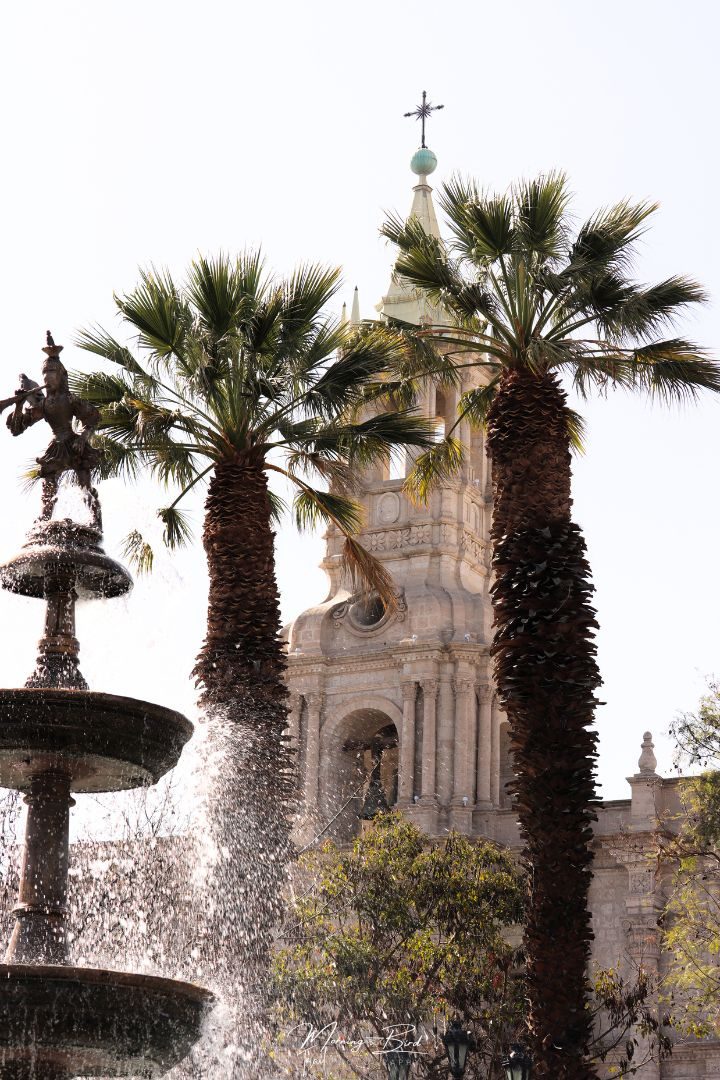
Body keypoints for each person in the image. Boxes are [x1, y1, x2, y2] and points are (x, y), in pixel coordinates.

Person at [6, 334, 101, 524]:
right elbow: (17, 429)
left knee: (84, 485)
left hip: (74, 444)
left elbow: (93, 418)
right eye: (45, 372)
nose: (47, 376)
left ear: (61, 375)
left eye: (52, 372)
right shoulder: (44, 404)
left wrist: (83, 438)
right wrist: (18, 405)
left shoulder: (70, 399)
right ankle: (44, 519)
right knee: (48, 487)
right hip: (55, 447)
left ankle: (94, 520)